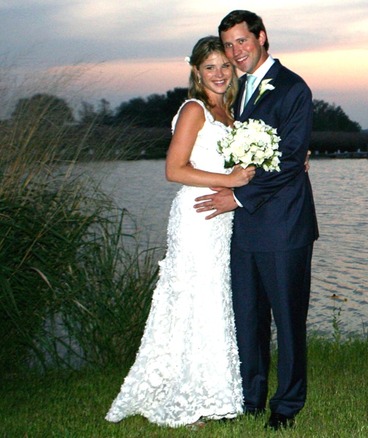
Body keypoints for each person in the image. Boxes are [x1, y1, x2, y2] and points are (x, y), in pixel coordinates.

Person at [105, 36, 254, 428]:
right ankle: (184, 400)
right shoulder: (194, 109)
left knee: (213, 299)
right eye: (210, 68)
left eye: (225, 65)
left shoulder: (230, 113)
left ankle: (210, 393)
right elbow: (174, 169)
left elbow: (241, 168)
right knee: (194, 300)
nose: (219, 73)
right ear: (196, 72)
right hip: (197, 217)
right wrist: (229, 178)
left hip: (221, 219)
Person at [194, 9, 319, 430]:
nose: (235, 52)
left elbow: (288, 160)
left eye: (242, 42)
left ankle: (286, 405)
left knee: (287, 320)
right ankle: (251, 397)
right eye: (228, 45)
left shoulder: (292, 88)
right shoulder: (235, 90)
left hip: (284, 225)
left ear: (262, 37)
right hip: (243, 229)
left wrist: (239, 198)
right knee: (248, 317)